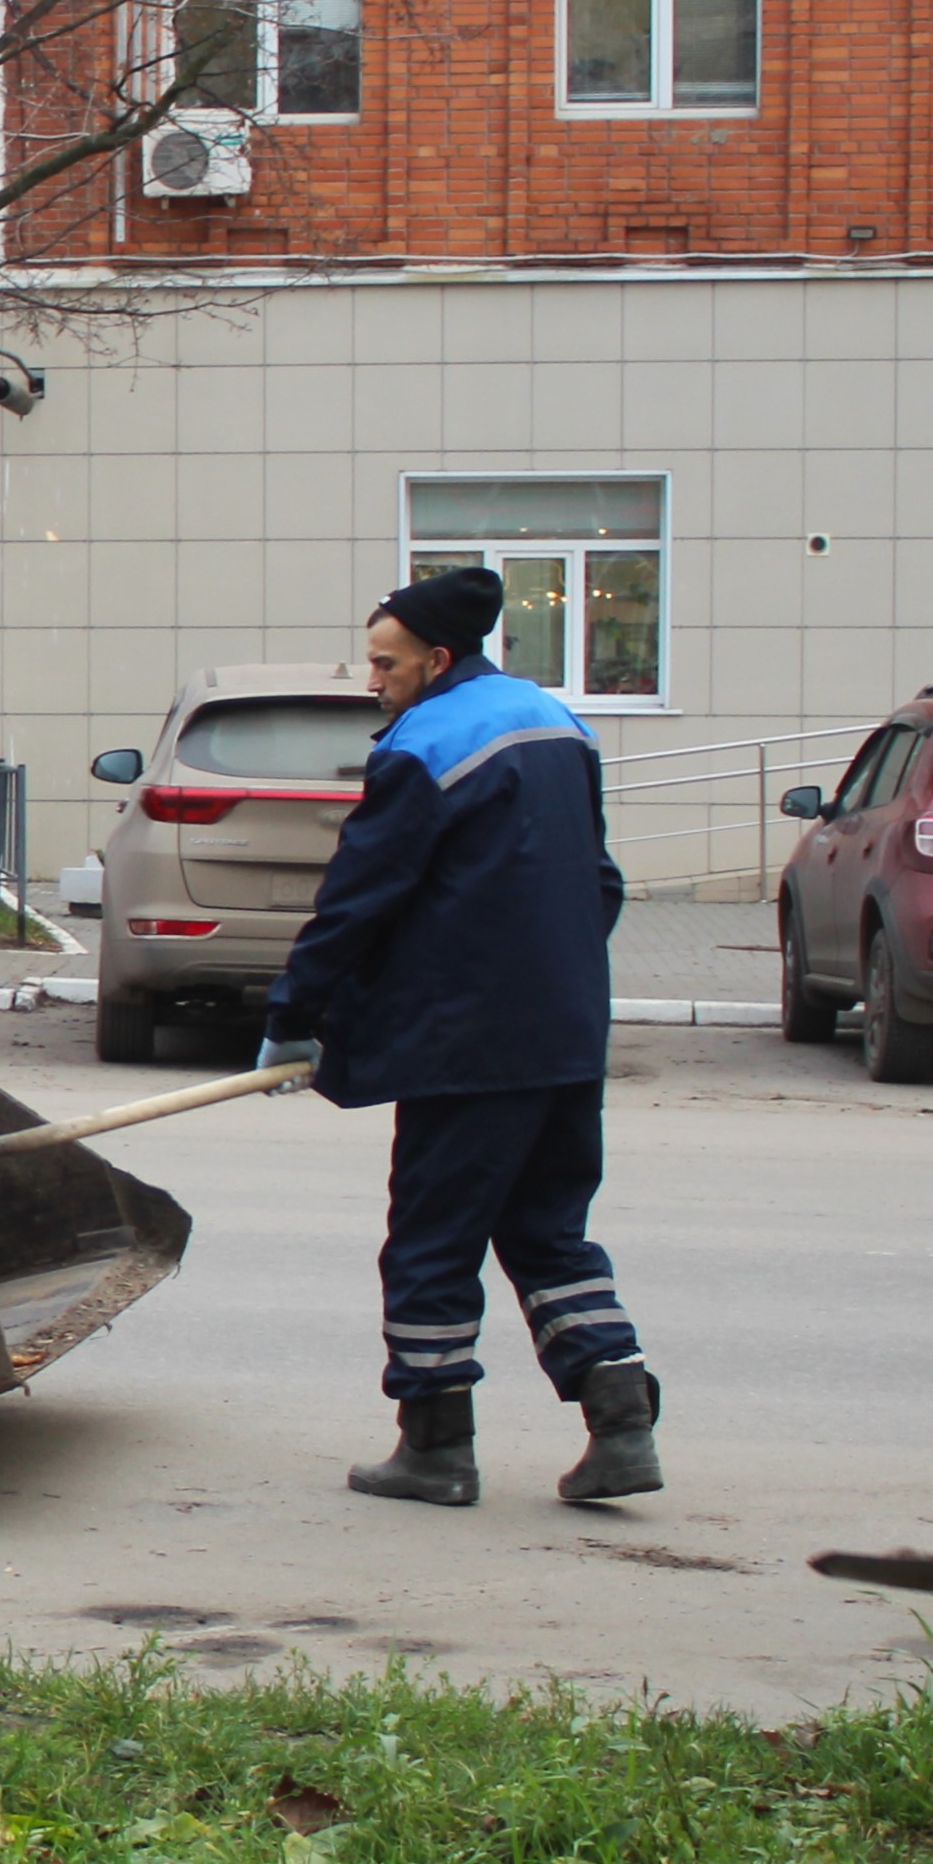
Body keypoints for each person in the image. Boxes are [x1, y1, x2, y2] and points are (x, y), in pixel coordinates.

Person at [255, 564, 663, 1508]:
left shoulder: (425, 743)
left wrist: (294, 1015)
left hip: (468, 1043)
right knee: (549, 1234)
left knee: (431, 1243)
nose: (373, 680)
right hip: (565, 1032)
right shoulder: (557, 722)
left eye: (385, 663)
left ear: (437, 660)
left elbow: (359, 897)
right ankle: (621, 1424)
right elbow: (599, 881)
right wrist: (552, 975)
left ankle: (435, 1448)